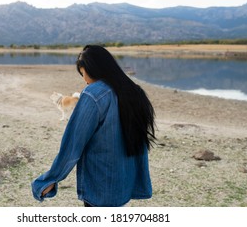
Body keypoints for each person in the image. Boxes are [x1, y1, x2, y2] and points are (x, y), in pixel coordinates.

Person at [31, 45, 156, 207]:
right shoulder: (133, 91)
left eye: (83, 74)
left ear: (94, 69)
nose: (85, 80)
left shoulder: (93, 94)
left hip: (101, 185)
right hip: (125, 184)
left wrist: (51, 178)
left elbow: (74, 143)